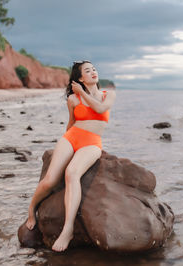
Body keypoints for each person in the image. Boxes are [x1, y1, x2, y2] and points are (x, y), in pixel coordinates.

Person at [25, 60, 116, 252]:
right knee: (50, 180)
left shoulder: (108, 95)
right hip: (71, 137)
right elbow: (71, 123)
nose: (93, 72)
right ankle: (31, 208)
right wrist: (64, 147)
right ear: (80, 78)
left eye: (94, 69)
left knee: (72, 173)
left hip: (92, 142)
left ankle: (68, 229)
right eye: (87, 71)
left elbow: (100, 109)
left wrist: (82, 93)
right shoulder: (73, 99)